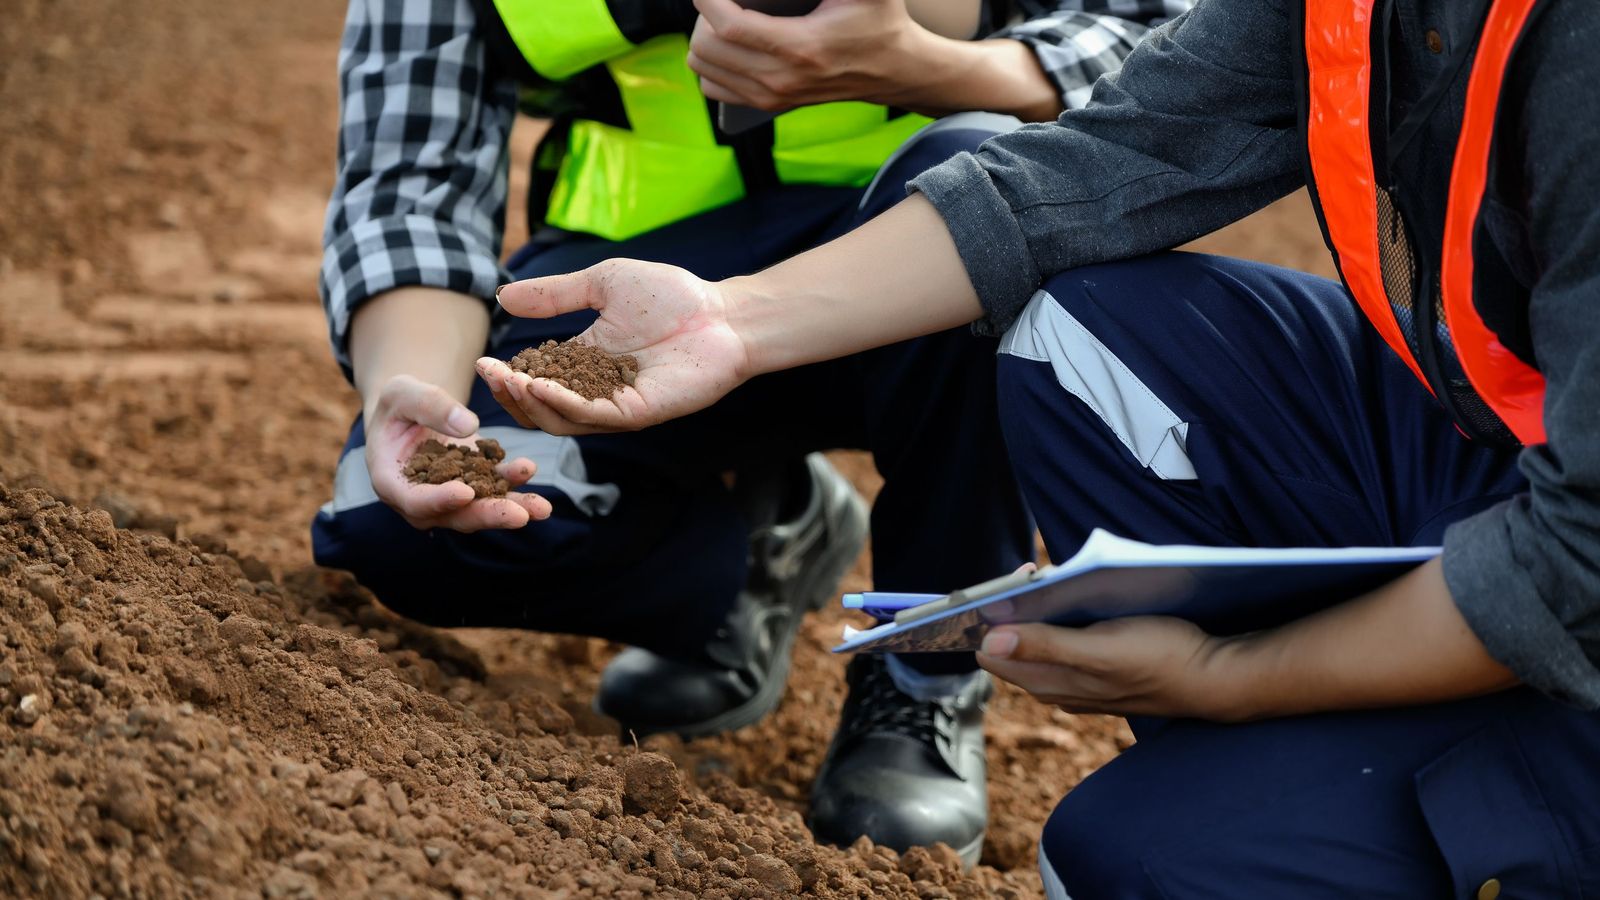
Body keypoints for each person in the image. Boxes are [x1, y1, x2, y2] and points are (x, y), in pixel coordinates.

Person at [476, 0, 1600, 894]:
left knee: (1141, 862)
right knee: (1082, 326)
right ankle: (1361, 746)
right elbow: (1110, 161)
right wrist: (734, 321)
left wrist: (1228, 679)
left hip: (1575, 558)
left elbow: (1577, 560)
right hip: (1508, 465)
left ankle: (1456, 779)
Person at [315, 0, 1187, 863]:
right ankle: (759, 535)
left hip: (914, 262)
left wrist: (933, 66)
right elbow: (409, 177)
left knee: (996, 183)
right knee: (397, 513)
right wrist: (428, 401)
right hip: (635, 298)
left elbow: (1168, 45)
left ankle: (925, 667)